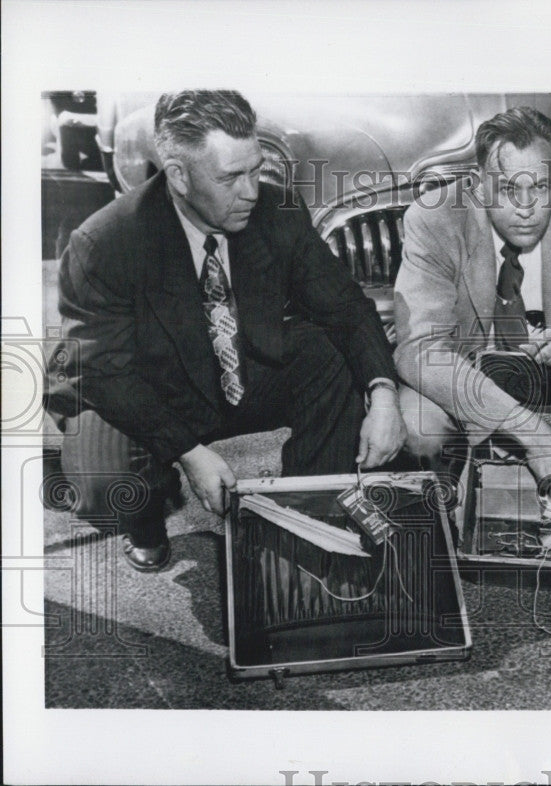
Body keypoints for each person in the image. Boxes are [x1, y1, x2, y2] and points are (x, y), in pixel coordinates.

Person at [45, 90, 406, 572]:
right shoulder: (104, 242)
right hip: (150, 385)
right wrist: (188, 453)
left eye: (256, 169)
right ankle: (145, 521)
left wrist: (383, 394)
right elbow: (102, 371)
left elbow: (344, 305)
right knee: (107, 486)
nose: (252, 190)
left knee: (329, 352)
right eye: (231, 177)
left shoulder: (276, 208)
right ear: (178, 175)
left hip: (240, 368)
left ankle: (306, 519)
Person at [393, 106, 551, 517]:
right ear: (478, 184)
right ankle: (446, 526)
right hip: (460, 378)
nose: (525, 207)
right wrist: (532, 433)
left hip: (548, 387)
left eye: (539, 188)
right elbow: (419, 351)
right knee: (418, 427)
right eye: (506, 189)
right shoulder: (434, 219)